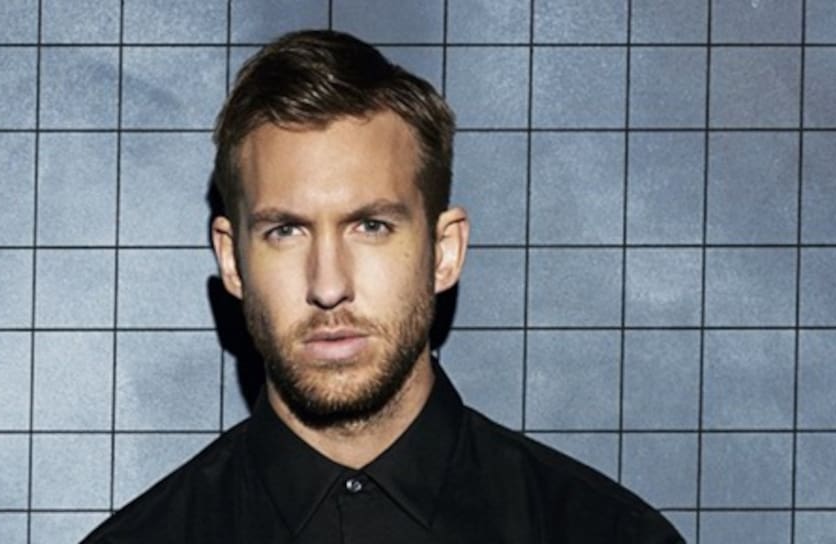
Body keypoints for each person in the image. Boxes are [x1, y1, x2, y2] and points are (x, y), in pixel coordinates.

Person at [83, 29, 683, 543]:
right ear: (232, 261)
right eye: (285, 231)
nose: (328, 286)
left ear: (444, 252)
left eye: (371, 226)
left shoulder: (608, 534)